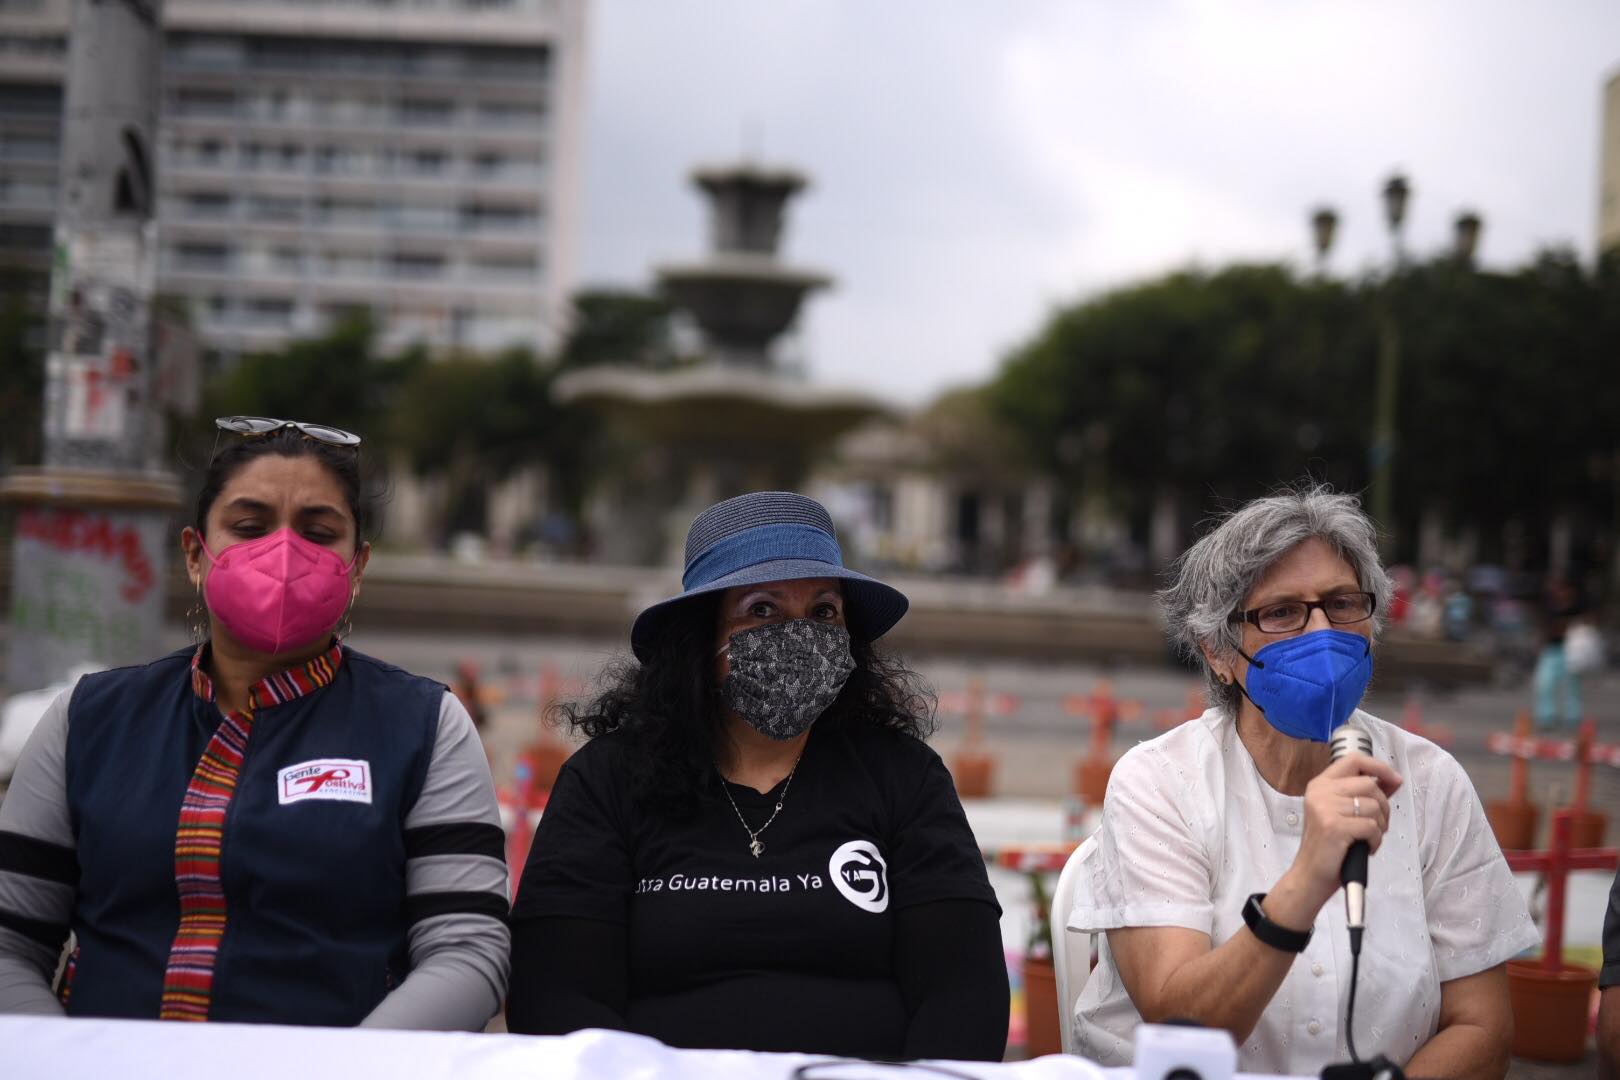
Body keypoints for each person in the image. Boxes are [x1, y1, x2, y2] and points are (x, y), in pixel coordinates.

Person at [0, 417, 509, 1028]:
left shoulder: (426, 726)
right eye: (248, 527)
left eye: (319, 533)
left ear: (358, 567)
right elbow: (10, 944)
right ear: (195, 554)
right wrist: (64, 1062)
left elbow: (467, 953)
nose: (286, 552)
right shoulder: (86, 720)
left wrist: (348, 1072)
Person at [506, 491, 1008, 1060]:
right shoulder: (607, 781)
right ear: (702, 637)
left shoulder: (902, 776)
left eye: (823, 612)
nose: (798, 635)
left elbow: (964, 993)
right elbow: (555, 995)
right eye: (763, 610)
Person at [1069, 485, 1536, 1077]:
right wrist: (1309, 876)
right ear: (1217, 650)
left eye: (1342, 604)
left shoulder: (1430, 781)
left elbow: (1484, 1028)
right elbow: (1179, 1027)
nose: (1321, 633)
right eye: (1282, 612)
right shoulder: (1162, 781)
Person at [1533, 575, 1587, 731]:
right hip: (1551, 649)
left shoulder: (1577, 607)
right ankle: (1546, 716)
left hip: (1571, 650)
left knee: (1572, 686)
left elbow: (1585, 624)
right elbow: (1545, 626)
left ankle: (1573, 717)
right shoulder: (1550, 605)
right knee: (1545, 683)